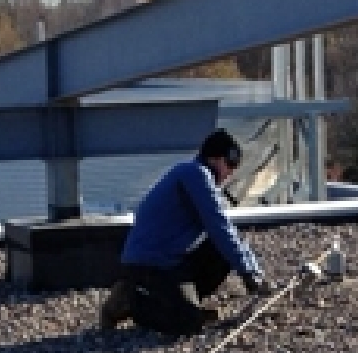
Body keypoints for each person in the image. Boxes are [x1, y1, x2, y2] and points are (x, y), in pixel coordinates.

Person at [100, 128, 271, 335]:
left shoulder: (192, 173)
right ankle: (131, 300)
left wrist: (252, 269)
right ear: (216, 159)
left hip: (169, 260)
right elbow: (219, 226)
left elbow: (227, 234)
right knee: (187, 323)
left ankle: (180, 303)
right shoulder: (196, 174)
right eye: (231, 165)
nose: (231, 173)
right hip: (149, 264)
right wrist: (248, 272)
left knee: (220, 252)